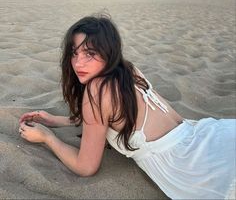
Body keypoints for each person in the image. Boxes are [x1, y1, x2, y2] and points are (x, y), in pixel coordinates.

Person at [19, 15, 235, 199]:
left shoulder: (97, 90)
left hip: (190, 165)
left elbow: (85, 168)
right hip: (203, 135)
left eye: (90, 54)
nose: (78, 63)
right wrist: (58, 121)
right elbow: (106, 119)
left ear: (108, 52)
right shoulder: (128, 70)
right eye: (75, 53)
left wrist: (47, 138)